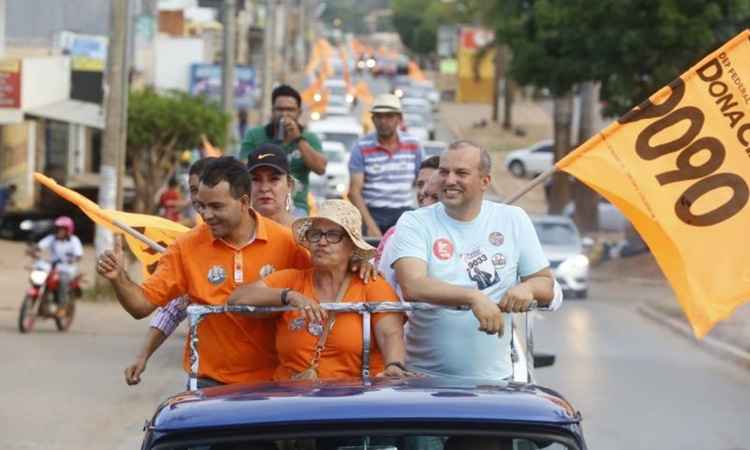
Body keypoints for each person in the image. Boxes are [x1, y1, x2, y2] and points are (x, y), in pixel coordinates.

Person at [99, 156, 312, 387]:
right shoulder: (185, 248)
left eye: (216, 206)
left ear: (243, 202)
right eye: (201, 205)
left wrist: (356, 264)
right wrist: (118, 278)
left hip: (273, 383)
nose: (206, 215)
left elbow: (326, 284)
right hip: (208, 385)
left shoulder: (288, 243)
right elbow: (141, 306)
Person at [389, 141, 560, 380]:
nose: (449, 180)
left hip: (495, 383)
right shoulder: (414, 221)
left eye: (461, 173)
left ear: (485, 182)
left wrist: (528, 288)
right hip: (422, 381)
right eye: (444, 171)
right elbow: (412, 285)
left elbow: (545, 283)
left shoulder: (514, 219)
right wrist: (474, 297)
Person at [229, 200, 412, 380]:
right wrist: (288, 296)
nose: (322, 242)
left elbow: (390, 334)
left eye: (333, 235)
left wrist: (394, 365)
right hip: (291, 398)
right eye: (315, 234)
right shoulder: (292, 280)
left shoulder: (370, 283)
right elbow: (237, 298)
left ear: (352, 246)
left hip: (351, 400)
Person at [124, 157, 214, 386]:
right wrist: (117, 278)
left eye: (206, 188)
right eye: (194, 190)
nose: (199, 198)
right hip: (207, 378)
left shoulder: (276, 238)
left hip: (264, 380)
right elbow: (171, 308)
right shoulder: (186, 247)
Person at [240, 84, 327, 217]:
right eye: (279, 109)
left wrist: (298, 139)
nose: (284, 114)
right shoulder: (255, 135)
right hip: (259, 203)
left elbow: (320, 168)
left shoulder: (309, 138)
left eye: (290, 110)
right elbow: (242, 169)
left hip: (296, 206)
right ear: (272, 111)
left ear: (299, 112)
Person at [348, 94, 423, 238]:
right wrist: (370, 224)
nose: (384, 121)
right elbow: (354, 191)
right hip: (372, 213)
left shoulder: (413, 145)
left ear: (399, 119)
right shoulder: (361, 147)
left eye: (389, 116)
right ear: (373, 119)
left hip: (404, 213)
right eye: (379, 117)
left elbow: (424, 182)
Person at [34, 216, 83, 317]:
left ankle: (62, 307)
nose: (60, 231)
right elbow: (40, 246)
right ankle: (40, 303)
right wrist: (33, 250)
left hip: (67, 269)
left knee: (63, 281)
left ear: (68, 230)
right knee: (38, 277)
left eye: (63, 229)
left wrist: (72, 259)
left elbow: (79, 255)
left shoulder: (74, 240)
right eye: (58, 229)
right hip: (52, 267)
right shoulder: (52, 238)